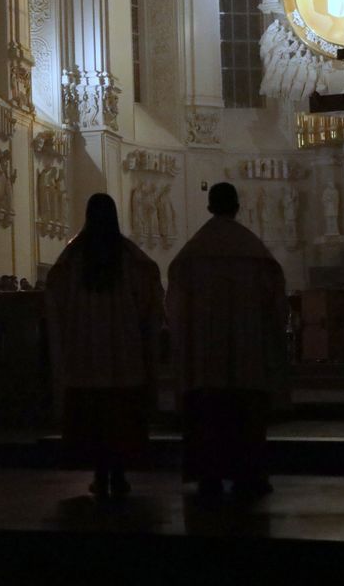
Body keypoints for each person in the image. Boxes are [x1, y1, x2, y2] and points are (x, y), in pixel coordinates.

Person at [166, 182, 288, 500]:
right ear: (237, 207)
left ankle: (209, 476)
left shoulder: (192, 255)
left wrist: (184, 341)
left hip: (205, 356)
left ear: (209, 207)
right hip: (248, 352)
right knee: (245, 415)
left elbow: (176, 309)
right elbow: (276, 305)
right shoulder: (254, 252)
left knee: (208, 417)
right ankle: (250, 474)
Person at [45, 193, 164, 498]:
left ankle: (100, 474)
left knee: (93, 419)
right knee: (120, 418)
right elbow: (149, 299)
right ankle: (120, 474)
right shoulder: (130, 258)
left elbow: (55, 299)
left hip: (85, 353)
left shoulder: (72, 259)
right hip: (123, 352)